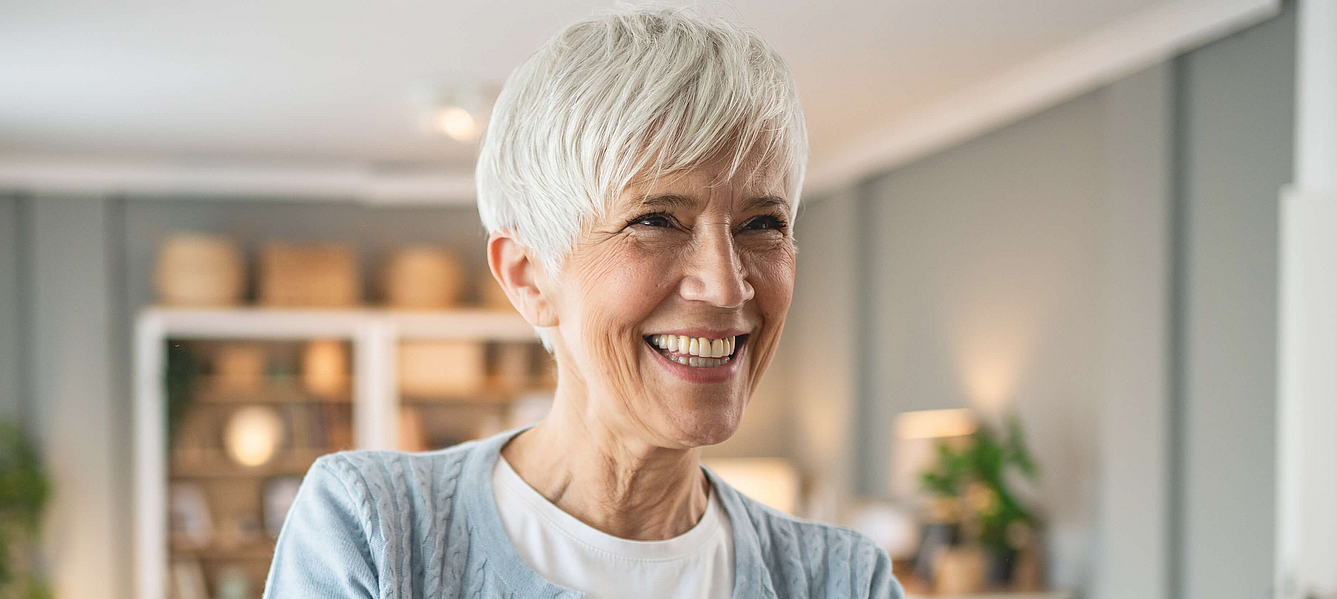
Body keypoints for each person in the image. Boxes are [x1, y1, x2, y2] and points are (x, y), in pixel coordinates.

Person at [266, 5, 904, 598]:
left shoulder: (841, 580)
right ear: (529, 279)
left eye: (762, 224)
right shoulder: (373, 532)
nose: (727, 284)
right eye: (655, 220)